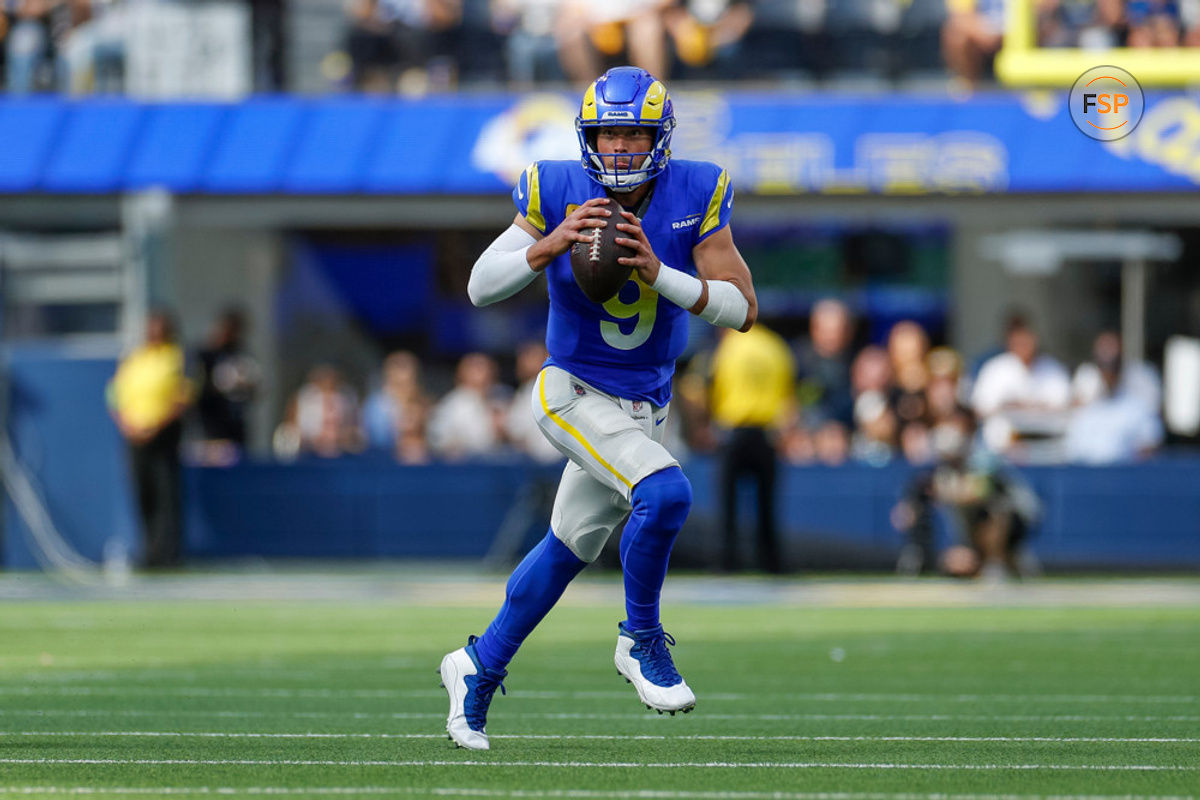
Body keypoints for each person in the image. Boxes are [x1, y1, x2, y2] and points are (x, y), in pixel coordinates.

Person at [439, 65, 757, 750]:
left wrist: (659, 272)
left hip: (646, 401)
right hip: (572, 390)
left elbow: (742, 309)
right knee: (666, 494)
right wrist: (547, 244)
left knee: (566, 548)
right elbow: (479, 286)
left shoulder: (698, 188)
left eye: (632, 135)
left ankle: (476, 665)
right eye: (607, 136)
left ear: (659, 138)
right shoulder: (552, 187)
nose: (618, 150)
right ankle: (640, 638)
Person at [107, 311, 192, 568]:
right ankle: (149, 554)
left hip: (163, 435)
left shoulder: (176, 357)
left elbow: (182, 396)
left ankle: (169, 555)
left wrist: (156, 425)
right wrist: (127, 423)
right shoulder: (134, 358)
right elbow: (114, 394)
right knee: (143, 493)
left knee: (166, 493)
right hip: (134, 436)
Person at [708, 323, 794, 573]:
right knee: (767, 505)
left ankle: (726, 563)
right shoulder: (774, 346)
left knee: (727, 504)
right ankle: (771, 563)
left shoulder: (729, 346)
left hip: (734, 432)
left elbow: (715, 387)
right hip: (767, 433)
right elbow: (786, 393)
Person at [194, 308, 260, 465]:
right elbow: (198, 389)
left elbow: (255, 390)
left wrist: (246, 386)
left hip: (236, 424)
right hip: (212, 426)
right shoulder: (205, 356)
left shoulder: (242, 355)